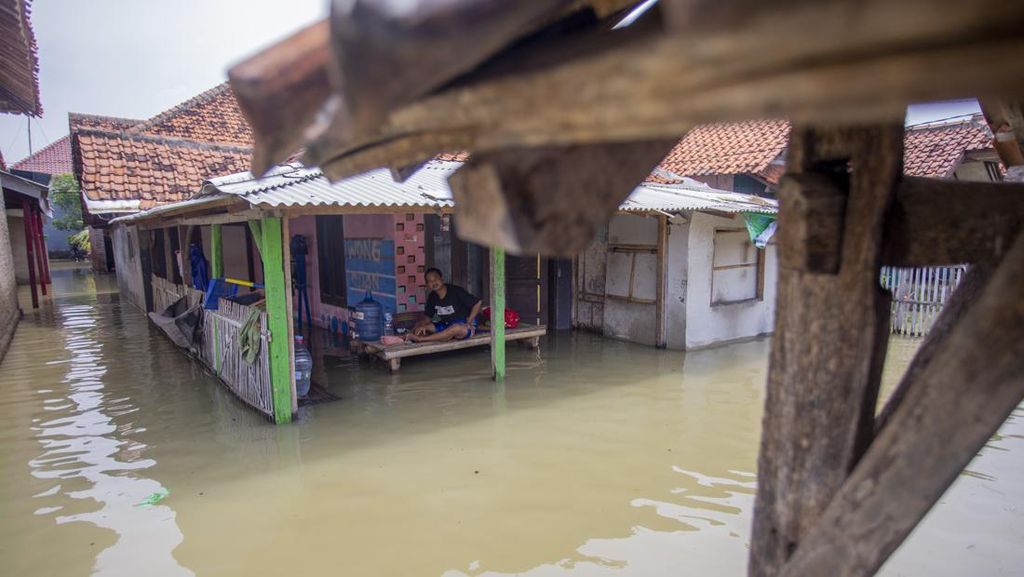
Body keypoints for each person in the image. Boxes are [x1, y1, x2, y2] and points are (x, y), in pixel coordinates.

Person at [408, 268, 482, 343]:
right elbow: (428, 318)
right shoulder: (432, 297)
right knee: (420, 325)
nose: (433, 282)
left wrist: (469, 322)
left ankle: (421, 339)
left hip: (463, 325)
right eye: (430, 281)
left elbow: (477, 303)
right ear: (427, 285)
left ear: (441, 279)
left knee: (455, 329)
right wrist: (422, 326)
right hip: (444, 324)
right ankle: (407, 337)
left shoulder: (456, 291)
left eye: (435, 279)